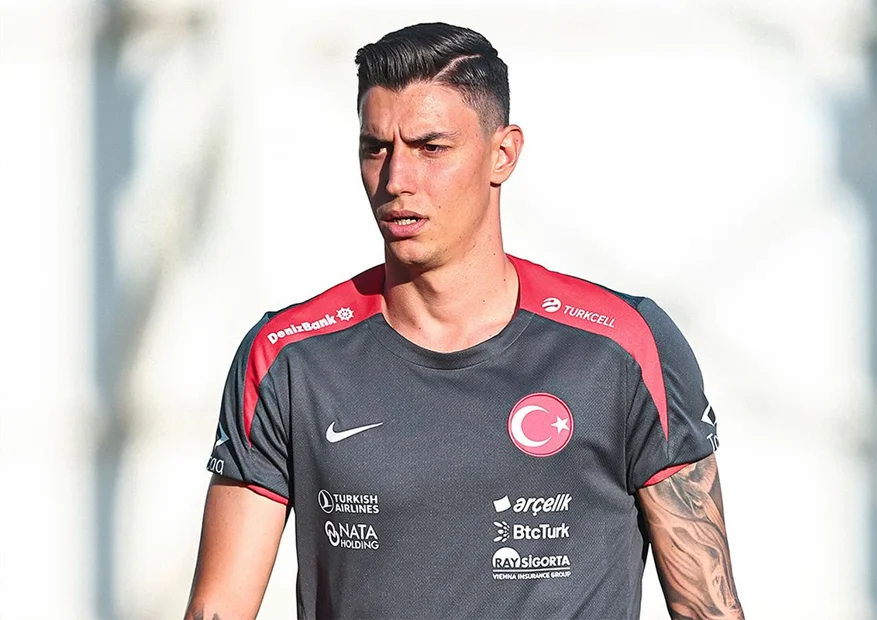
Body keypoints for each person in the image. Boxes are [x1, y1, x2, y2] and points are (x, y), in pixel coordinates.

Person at [185, 22, 744, 620]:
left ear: (503, 154)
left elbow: (708, 607)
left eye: (431, 148)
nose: (396, 180)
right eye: (376, 148)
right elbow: (220, 607)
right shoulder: (287, 358)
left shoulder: (625, 346)